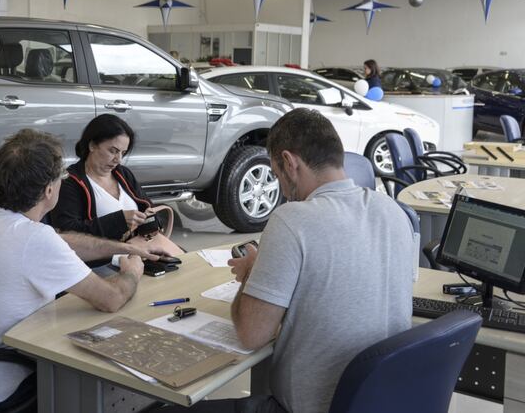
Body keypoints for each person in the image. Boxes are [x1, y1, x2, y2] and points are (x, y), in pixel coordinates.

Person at [154, 108, 415, 413]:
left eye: (277, 175)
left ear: (290, 163)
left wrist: (253, 272)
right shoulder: (395, 212)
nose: (281, 188)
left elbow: (252, 335)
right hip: (382, 400)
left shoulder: (293, 220)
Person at [0, 129, 150, 413]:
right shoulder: (35, 240)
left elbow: (60, 242)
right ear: (49, 191)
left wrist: (121, 248)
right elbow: (110, 298)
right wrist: (133, 270)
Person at [51, 114, 183, 263]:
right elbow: (68, 233)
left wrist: (150, 219)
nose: (118, 159)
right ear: (92, 145)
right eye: (113, 151)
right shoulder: (70, 182)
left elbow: (148, 208)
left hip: (139, 250)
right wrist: (119, 221)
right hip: (102, 262)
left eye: (123, 153)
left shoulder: (123, 174)